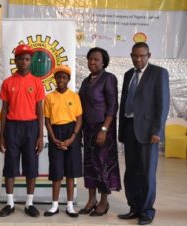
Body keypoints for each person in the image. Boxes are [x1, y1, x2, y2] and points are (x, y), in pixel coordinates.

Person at [118, 42, 170, 225]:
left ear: (149, 55)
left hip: (149, 132)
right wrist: (122, 131)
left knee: (147, 173)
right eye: (135, 56)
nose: (138, 59)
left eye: (142, 56)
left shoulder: (159, 73)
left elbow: (162, 105)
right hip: (130, 129)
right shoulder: (128, 75)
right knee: (131, 172)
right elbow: (125, 102)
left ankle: (147, 211)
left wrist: (157, 130)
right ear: (131, 55)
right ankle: (134, 207)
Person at [0, 44, 45, 217]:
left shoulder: (37, 82)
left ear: (30, 61)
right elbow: (3, 110)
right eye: (20, 59)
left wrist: (41, 135)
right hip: (12, 127)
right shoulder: (8, 82)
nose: (24, 62)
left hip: (31, 127)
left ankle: (29, 203)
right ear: (15, 60)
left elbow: (40, 111)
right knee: (10, 164)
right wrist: (2, 134)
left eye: (27, 59)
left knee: (31, 166)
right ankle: (10, 203)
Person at [78, 47, 121, 216]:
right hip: (88, 129)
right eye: (90, 59)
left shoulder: (108, 78)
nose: (92, 62)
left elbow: (113, 106)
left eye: (96, 59)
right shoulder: (86, 81)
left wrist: (104, 129)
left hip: (103, 129)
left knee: (103, 165)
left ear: (104, 62)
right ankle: (91, 200)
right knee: (89, 164)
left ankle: (104, 201)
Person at [43, 65, 82, 218]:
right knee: (57, 171)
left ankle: (70, 205)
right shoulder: (49, 97)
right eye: (58, 77)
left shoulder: (74, 97)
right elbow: (47, 120)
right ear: (55, 79)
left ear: (68, 80)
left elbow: (79, 118)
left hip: (71, 132)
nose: (61, 80)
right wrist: (53, 138)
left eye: (64, 77)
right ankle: (54, 205)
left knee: (71, 172)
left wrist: (73, 137)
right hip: (56, 132)